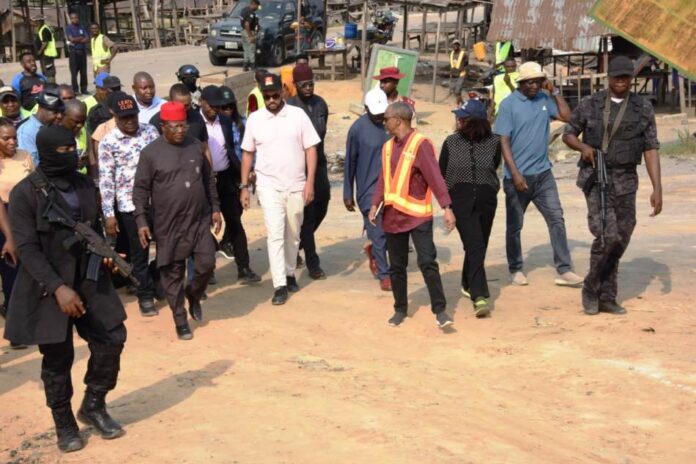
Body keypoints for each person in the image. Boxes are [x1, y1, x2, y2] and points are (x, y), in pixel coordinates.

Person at [5, 125, 127, 452]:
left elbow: (92, 226)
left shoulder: (84, 184)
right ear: (45, 154)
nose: (71, 155)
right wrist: (59, 288)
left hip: (87, 277)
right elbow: (28, 248)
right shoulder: (23, 194)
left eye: (73, 148)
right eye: (63, 152)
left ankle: (94, 404)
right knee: (58, 359)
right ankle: (64, 423)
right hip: (47, 286)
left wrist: (106, 254)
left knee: (113, 337)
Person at [562, 56, 663, 315]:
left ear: (632, 78)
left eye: (625, 77)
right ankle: (592, 289)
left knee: (622, 235)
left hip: (626, 179)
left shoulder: (642, 107)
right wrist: (583, 146)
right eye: (615, 76)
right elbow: (569, 133)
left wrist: (657, 188)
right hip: (597, 178)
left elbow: (651, 148)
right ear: (608, 78)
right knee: (607, 235)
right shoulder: (591, 104)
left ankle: (605, 295)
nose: (620, 81)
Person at [133, 102, 221, 340]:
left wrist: (215, 207)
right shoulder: (150, 154)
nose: (181, 130)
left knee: (207, 263)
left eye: (183, 125)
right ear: (163, 127)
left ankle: (193, 293)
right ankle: (180, 319)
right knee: (172, 273)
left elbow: (208, 179)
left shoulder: (194, 146)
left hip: (198, 220)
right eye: (175, 126)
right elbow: (140, 191)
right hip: (167, 224)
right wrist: (141, 221)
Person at [494, 61, 583, 287]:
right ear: (521, 83)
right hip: (518, 177)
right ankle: (515, 268)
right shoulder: (508, 105)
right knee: (515, 225)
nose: (535, 86)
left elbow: (567, 117)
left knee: (556, 218)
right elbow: (503, 140)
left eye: (539, 81)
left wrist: (555, 92)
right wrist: (514, 174)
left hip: (543, 174)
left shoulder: (545, 99)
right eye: (531, 82)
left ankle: (564, 268)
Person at [369, 102, 455, 329]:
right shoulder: (387, 147)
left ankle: (441, 310)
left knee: (427, 262)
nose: (384, 121)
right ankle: (400, 309)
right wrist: (375, 204)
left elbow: (435, 178)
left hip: (418, 217)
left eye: (386, 118)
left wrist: (446, 207)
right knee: (397, 265)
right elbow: (383, 179)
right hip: (393, 217)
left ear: (398, 120)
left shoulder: (421, 144)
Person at [240, 74, 320, 305]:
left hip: (296, 185)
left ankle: (289, 272)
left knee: (293, 233)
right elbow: (247, 153)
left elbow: (311, 149)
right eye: (267, 96)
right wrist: (244, 187)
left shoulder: (297, 115)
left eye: (276, 95)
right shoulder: (255, 119)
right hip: (268, 186)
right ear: (262, 95)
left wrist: (310, 182)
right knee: (275, 234)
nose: (272, 100)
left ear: (283, 92)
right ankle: (279, 285)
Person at [98, 91, 160, 316]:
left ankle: (158, 283)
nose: (130, 121)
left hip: (158, 202)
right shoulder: (108, 143)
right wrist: (108, 214)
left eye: (133, 116)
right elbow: (106, 180)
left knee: (165, 246)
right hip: (129, 207)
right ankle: (145, 295)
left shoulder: (150, 132)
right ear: (114, 115)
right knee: (139, 253)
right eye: (125, 118)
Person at [439, 100, 500, 318]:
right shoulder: (451, 142)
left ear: (477, 121)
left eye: (464, 118)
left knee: (479, 246)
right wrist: (446, 207)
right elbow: (441, 176)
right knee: (474, 244)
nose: (459, 120)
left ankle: (467, 282)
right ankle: (479, 296)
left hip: (486, 200)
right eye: (459, 117)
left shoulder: (494, 142)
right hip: (461, 201)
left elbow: (494, 166)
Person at [199, 86, 260, 283]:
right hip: (203, 181)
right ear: (202, 101)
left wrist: (243, 180)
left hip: (226, 178)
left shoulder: (225, 121)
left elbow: (233, 149)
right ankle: (208, 271)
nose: (214, 110)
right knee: (203, 225)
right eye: (211, 105)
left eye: (218, 106)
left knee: (235, 222)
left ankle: (244, 267)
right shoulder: (193, 122)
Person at [344, 88, 391, 291]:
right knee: (379, 232)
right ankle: (385, 275)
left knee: (390, 233)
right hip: (368, 191)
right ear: (365, 109)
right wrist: (347, 192)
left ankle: (374, 251)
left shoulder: (392, 124)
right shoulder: (356, 129)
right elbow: (350, 162)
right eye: (376, 113)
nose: (381, 117)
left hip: (392, 188)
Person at [286, 65, 330, 279]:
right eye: (304, 85)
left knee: (324, 203)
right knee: (309, 214)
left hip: (319, 163)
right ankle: (313, 264)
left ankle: (299, 243)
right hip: (299, 168)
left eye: (311, 83)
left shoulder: (321, 104)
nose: (308, 88)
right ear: (295, 85)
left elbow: (322, 133)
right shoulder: (290, 108)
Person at [0, 117, 33, 346]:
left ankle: (19, 327)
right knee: (8, 272)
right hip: (3, 219)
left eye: (14, 137)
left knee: (19, 273)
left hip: (21, 218)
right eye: (6, 138)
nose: (12, 142)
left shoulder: (25, 156)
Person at [17, 88, 65, 165]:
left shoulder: (54, 126)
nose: (59, 116)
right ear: (40, 108)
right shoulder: (26, 133)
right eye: (55, 111)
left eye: (61, 112)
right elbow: (30, 165)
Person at [65, 13, 89, 95]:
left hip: (82, 52)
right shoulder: (68, 28)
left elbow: (87, 38)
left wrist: (77, 40)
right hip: (73, 52)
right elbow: (71, 39)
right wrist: (81, 38)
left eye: (76, 17)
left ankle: (84, 89)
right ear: (71, 19)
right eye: (72, 18)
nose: (74, 19)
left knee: (83, 72)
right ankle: (75, 90)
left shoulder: (81, 27)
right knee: (74, 72)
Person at [61, 100, 88, 168]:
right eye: (76, 122)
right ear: (63, 117)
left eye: (83, 122)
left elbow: (91, 160)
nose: (80, 125)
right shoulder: (52, 136)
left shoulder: (84, 131)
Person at [35, 18, 58, 84]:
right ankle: (48, 86)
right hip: (44, 54)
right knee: (45, 71)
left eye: (37, 21)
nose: (36, 23)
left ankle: (52, 86)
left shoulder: (45, 29)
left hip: (47, 54)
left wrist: (40, 51)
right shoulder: (41, 29)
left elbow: (45, 42)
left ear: (41, 21)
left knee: (49, 72)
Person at [240, 0, 260, 71]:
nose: (257, 8)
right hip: (248, 32)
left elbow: (244, 23)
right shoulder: (250, 12)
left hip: (243, 32)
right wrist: (251, 36)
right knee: (251, 50)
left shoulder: (244, 10)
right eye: (257, 6)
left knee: (246, 50)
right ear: (254, 4)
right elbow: (247, 24)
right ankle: (253, 67)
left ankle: (245, 66)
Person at [449, 39, 468, 105]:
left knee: (457, 90)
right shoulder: (451, 54)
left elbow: (466, 63)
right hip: (453, 74)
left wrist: (463, 70)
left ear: (459, 45)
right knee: (455, 91)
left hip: (461, 74)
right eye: (454, 44)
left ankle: (457, 105)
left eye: (457, 44)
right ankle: (462, 102)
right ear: (452, 45)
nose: (455, 46)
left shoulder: (463, 54)